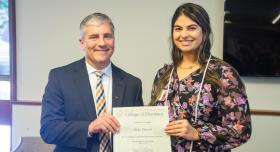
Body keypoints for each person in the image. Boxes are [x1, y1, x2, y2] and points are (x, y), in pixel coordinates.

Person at [149, 3, 251, 152]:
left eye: (191, 28)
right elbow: (154, 119)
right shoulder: (163, 74)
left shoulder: (223, 73)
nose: (183, 35)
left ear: (205, 31)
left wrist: (198, 133)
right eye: (178, 29)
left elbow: (241, 130)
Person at [40, 12, 143, 152]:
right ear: (82, 43)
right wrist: (89, 127)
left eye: (107, 36)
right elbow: (48, 130)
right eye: (94, 37)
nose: (102, 43)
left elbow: (137, 132)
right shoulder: (60, 78)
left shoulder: (133, 84)